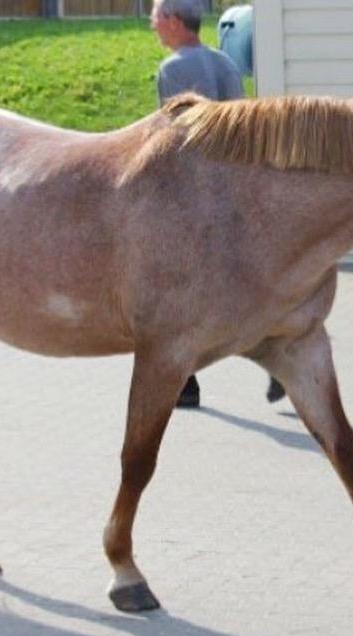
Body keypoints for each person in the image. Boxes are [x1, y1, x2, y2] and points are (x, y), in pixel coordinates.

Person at [151, 0, 248, 409]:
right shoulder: (226, 63)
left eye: (155, 17)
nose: (152, 25)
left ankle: (186, 382)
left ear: (174, 21)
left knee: (174, 294)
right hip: (232, 191)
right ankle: (277, 358)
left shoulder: (172, 70)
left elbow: (172, 137)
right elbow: (244, 126)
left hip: (190, 197)